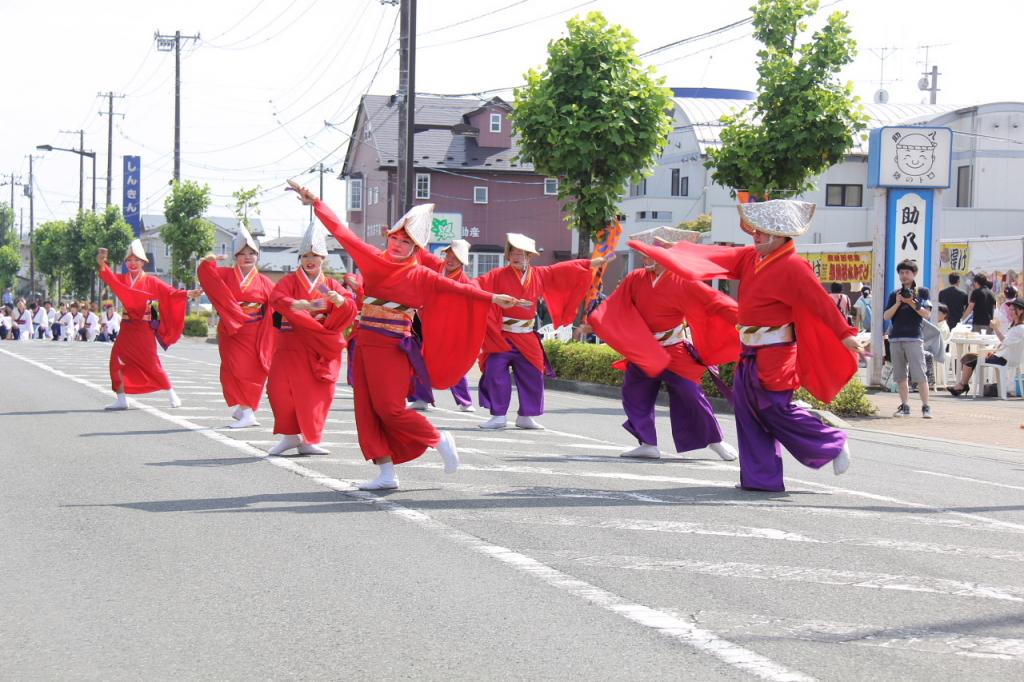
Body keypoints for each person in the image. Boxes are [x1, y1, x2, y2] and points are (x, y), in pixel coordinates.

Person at [291, 181, 527, 491]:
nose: (398, 243)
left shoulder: (422, 274)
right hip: (364, 343)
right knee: (366, 410)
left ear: (417, 248)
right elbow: (343, 232)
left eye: (407, 241)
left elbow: (459, 289)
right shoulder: (373, 259)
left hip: (393, 347)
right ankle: (386, 472)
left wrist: (494, 298)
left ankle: (438, 438)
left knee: (390, 408)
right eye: (396, 237)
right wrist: (316, 202)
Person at [631, 200, 862, 493]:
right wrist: (673, 250)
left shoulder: (794, 266)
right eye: (755, 230)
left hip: (778, 351)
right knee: (747, 411)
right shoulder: (750, 257)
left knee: (775, 408)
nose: (755, 235)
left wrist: (844, 333)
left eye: (763, 233)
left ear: (781, 236)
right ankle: (760, 478)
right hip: (750, 350)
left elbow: (820, 303)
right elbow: (716, 256)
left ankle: (832, 443)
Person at [589, 226, 740, 462]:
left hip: (673, 348)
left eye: (652, 253)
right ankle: (647, 443)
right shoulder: (635, 278)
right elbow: (615, 306)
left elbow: (715, 301)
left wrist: (743, 318)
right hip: (644, 350)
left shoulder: (683, 281)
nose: (645, 258)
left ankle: (715, 440)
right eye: (645, 253)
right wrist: (595, 320)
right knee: (634, 393)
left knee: (690, 393)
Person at [474, 233, 606, 430]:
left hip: (527, 335)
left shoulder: (540, 274)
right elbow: (476, 286)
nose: (516, 256)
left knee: (533, 374)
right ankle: (499, 415)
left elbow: (564, 269)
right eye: (513, 253)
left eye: (521, 253)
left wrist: (591, 263)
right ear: (507, 255)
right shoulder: (497, 275)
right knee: (494, 372)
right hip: (502, 335)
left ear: (529, 257)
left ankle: (526, 416)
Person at [265, 221, 356, 455]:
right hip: (289, 344)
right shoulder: (289, 282)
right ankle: (289, 436)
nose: (310, 259)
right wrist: (295, 304)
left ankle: (310, 439)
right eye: (305, 255)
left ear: (324, 258)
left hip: (316, 346)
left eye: (315, 254)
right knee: (279, 390)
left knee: (313, 394)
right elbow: (276, 298)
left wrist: (340, 301)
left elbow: (346, 303)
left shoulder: (328, 286)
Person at [97, 239, 192, 410]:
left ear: (143, 262)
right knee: (116, 360)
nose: (133, 263)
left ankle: (171, 392)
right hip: (127, 327)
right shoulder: (122, 279)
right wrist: (102, 261)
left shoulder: (152, 281)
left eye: (137, 260)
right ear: (126, 263)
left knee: (151, 362)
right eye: (130, 260)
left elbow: (170, 293)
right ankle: (121, 398)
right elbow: (108, 276)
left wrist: (188, 293)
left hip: (144, 327)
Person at [198, 224, 276, 429]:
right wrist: (207, 261)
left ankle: (246, 410)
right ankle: (246, 411)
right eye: (242, 253)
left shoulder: (265, 282)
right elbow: (207, 275)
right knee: (235, 371)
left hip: (256, 332)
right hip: (233, 332)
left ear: (258, 256)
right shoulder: (225, 275)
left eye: (252, 253)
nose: (247, 257)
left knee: (257, 371)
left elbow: (279, 304)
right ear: (235, 257)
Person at [411, 239, 477, 412]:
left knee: (452, 363)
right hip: (426, 322)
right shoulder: (436, 266)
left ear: (462, 261)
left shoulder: (465, 282)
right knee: (422, 359)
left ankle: (465, 401)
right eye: (449, 254)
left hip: (449, 326)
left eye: (456, 256)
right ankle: (421, 398)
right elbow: (420, 251)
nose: (451, 259)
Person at [883, 260, 932, 418]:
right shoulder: (894, 294)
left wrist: (911, 302)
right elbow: (886, 316)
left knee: (919, 374)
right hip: (896, 337)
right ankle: (905, 406)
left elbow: (927, 314)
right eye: (901, 273)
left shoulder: (921, 292)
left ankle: (926, 407)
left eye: (907, 273)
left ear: (914, 274)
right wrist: (898, 303)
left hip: (914, 337)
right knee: (900, 375)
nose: (904, 276)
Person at [947, 298, 1024, 396]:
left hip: (1003, 359)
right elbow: (1005, 344)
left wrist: (995, 328)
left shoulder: (1020, 328)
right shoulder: (1014, 326)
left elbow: (1005, 342)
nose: (1011, 312)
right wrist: (994, 351)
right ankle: (963, 385)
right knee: (969, 356)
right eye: (1010, 309)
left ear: (1021, 310)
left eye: (1013, 309)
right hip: (1002, 356)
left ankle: (962, 385)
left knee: (971, 359)